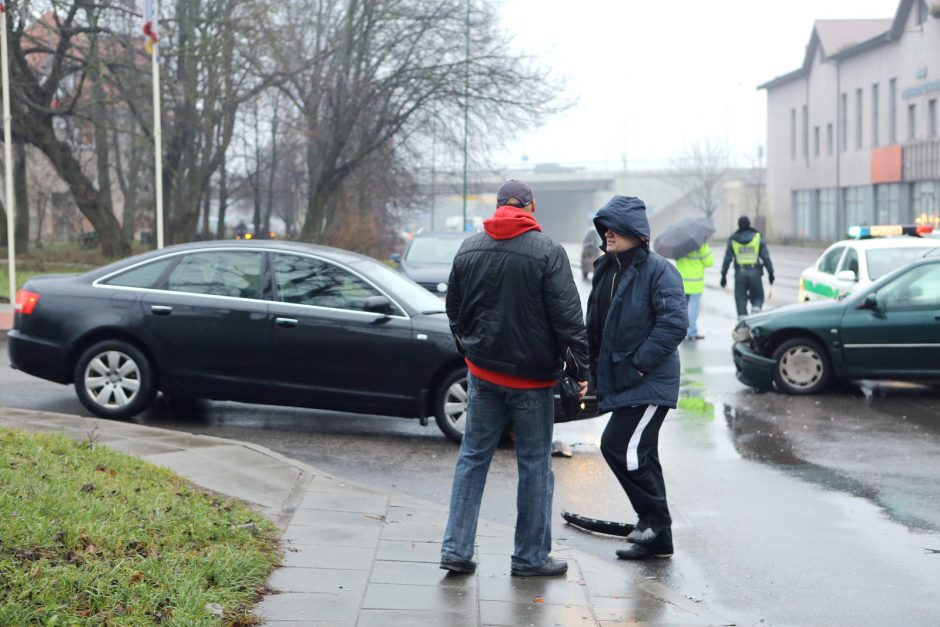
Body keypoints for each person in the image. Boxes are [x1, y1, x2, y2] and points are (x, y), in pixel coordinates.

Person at [440, 180, 590, 577]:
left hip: (483, 374)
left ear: (496, 207)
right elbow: (569, 320)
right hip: (532, 382)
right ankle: (529, 557)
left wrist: (468, 348)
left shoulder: (470, 247)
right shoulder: (548, 251)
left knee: (472, 459)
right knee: (535, 466)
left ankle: (456, 549)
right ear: (531, 206)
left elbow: (453, 307)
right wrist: (580, 371)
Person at [584, 195, 687, 560]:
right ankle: (659, 538)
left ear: (636, 232)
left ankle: (654, 521)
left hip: (648, 381)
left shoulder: (659, 270)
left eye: (614, 227)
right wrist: (591, 376)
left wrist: (638, 366)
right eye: (604, 227)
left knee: (618, 446)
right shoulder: (607, 269)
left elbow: (674, 323)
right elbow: (596, 329)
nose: (607, 233)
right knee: (640, 452)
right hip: (623, 380)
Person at [720, 216, 775, 319]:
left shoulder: (733, 239)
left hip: (740, 274)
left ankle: (743, 322)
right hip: (755, 273)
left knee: (740, 299)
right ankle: (755, 312)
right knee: (758, 296)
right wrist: (771, 273)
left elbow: (727, 259)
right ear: (749, 224)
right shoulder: (757, 237)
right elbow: (766, 257)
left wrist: (723, 275)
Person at [676, 240, 714, 341]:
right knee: (693, 308)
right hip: (695, 282)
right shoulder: (701, 245)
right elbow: (709, 262)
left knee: (682, 308)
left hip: (682, 281)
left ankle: (682, 332)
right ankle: (692, 332)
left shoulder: (679, 244)